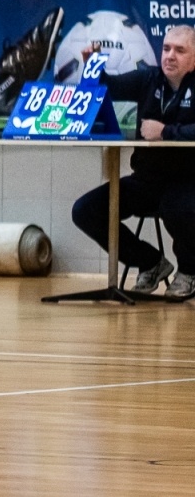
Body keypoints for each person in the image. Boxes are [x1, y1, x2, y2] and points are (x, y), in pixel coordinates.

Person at [71, 24, 195, 298]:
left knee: (176, 207)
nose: (170, 55)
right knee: (85, 210)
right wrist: (92, 67)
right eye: (165, 49)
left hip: (188, 181)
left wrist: (165, 132)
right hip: (146, 181)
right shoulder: (148, 79)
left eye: (180, 50)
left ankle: (189, 270)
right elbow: (108, 87)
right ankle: (150, 262)